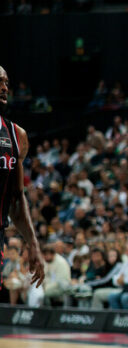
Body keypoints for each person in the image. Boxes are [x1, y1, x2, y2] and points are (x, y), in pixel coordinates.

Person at [0, 66, 44, 294]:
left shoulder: (17, 135)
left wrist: (33, 244)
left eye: (6, 82)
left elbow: (17, 197)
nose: (4, 87)